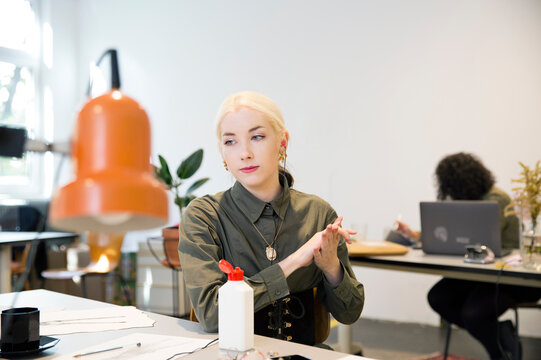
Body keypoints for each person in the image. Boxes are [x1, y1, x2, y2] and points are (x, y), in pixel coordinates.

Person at [178, 91, 364, 345]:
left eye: (257, 137)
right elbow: (211, 315)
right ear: (222, 152)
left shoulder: (318, 214)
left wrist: (331, 267)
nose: (244, 153)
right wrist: (296, 260)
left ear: (282, 141)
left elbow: (350, 313)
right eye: (230, 142)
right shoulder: (204, 216)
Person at [396, 152, 541, 360]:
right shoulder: (466, 202)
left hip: (511, 276)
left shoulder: (495, 199)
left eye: (451, 185)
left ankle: (500, 353)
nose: (449, 191)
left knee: (474, 314)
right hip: (478, 275)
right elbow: (454, 237)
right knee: (438, 298)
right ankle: (500, 333)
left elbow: (478, 239)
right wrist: (416, 235)